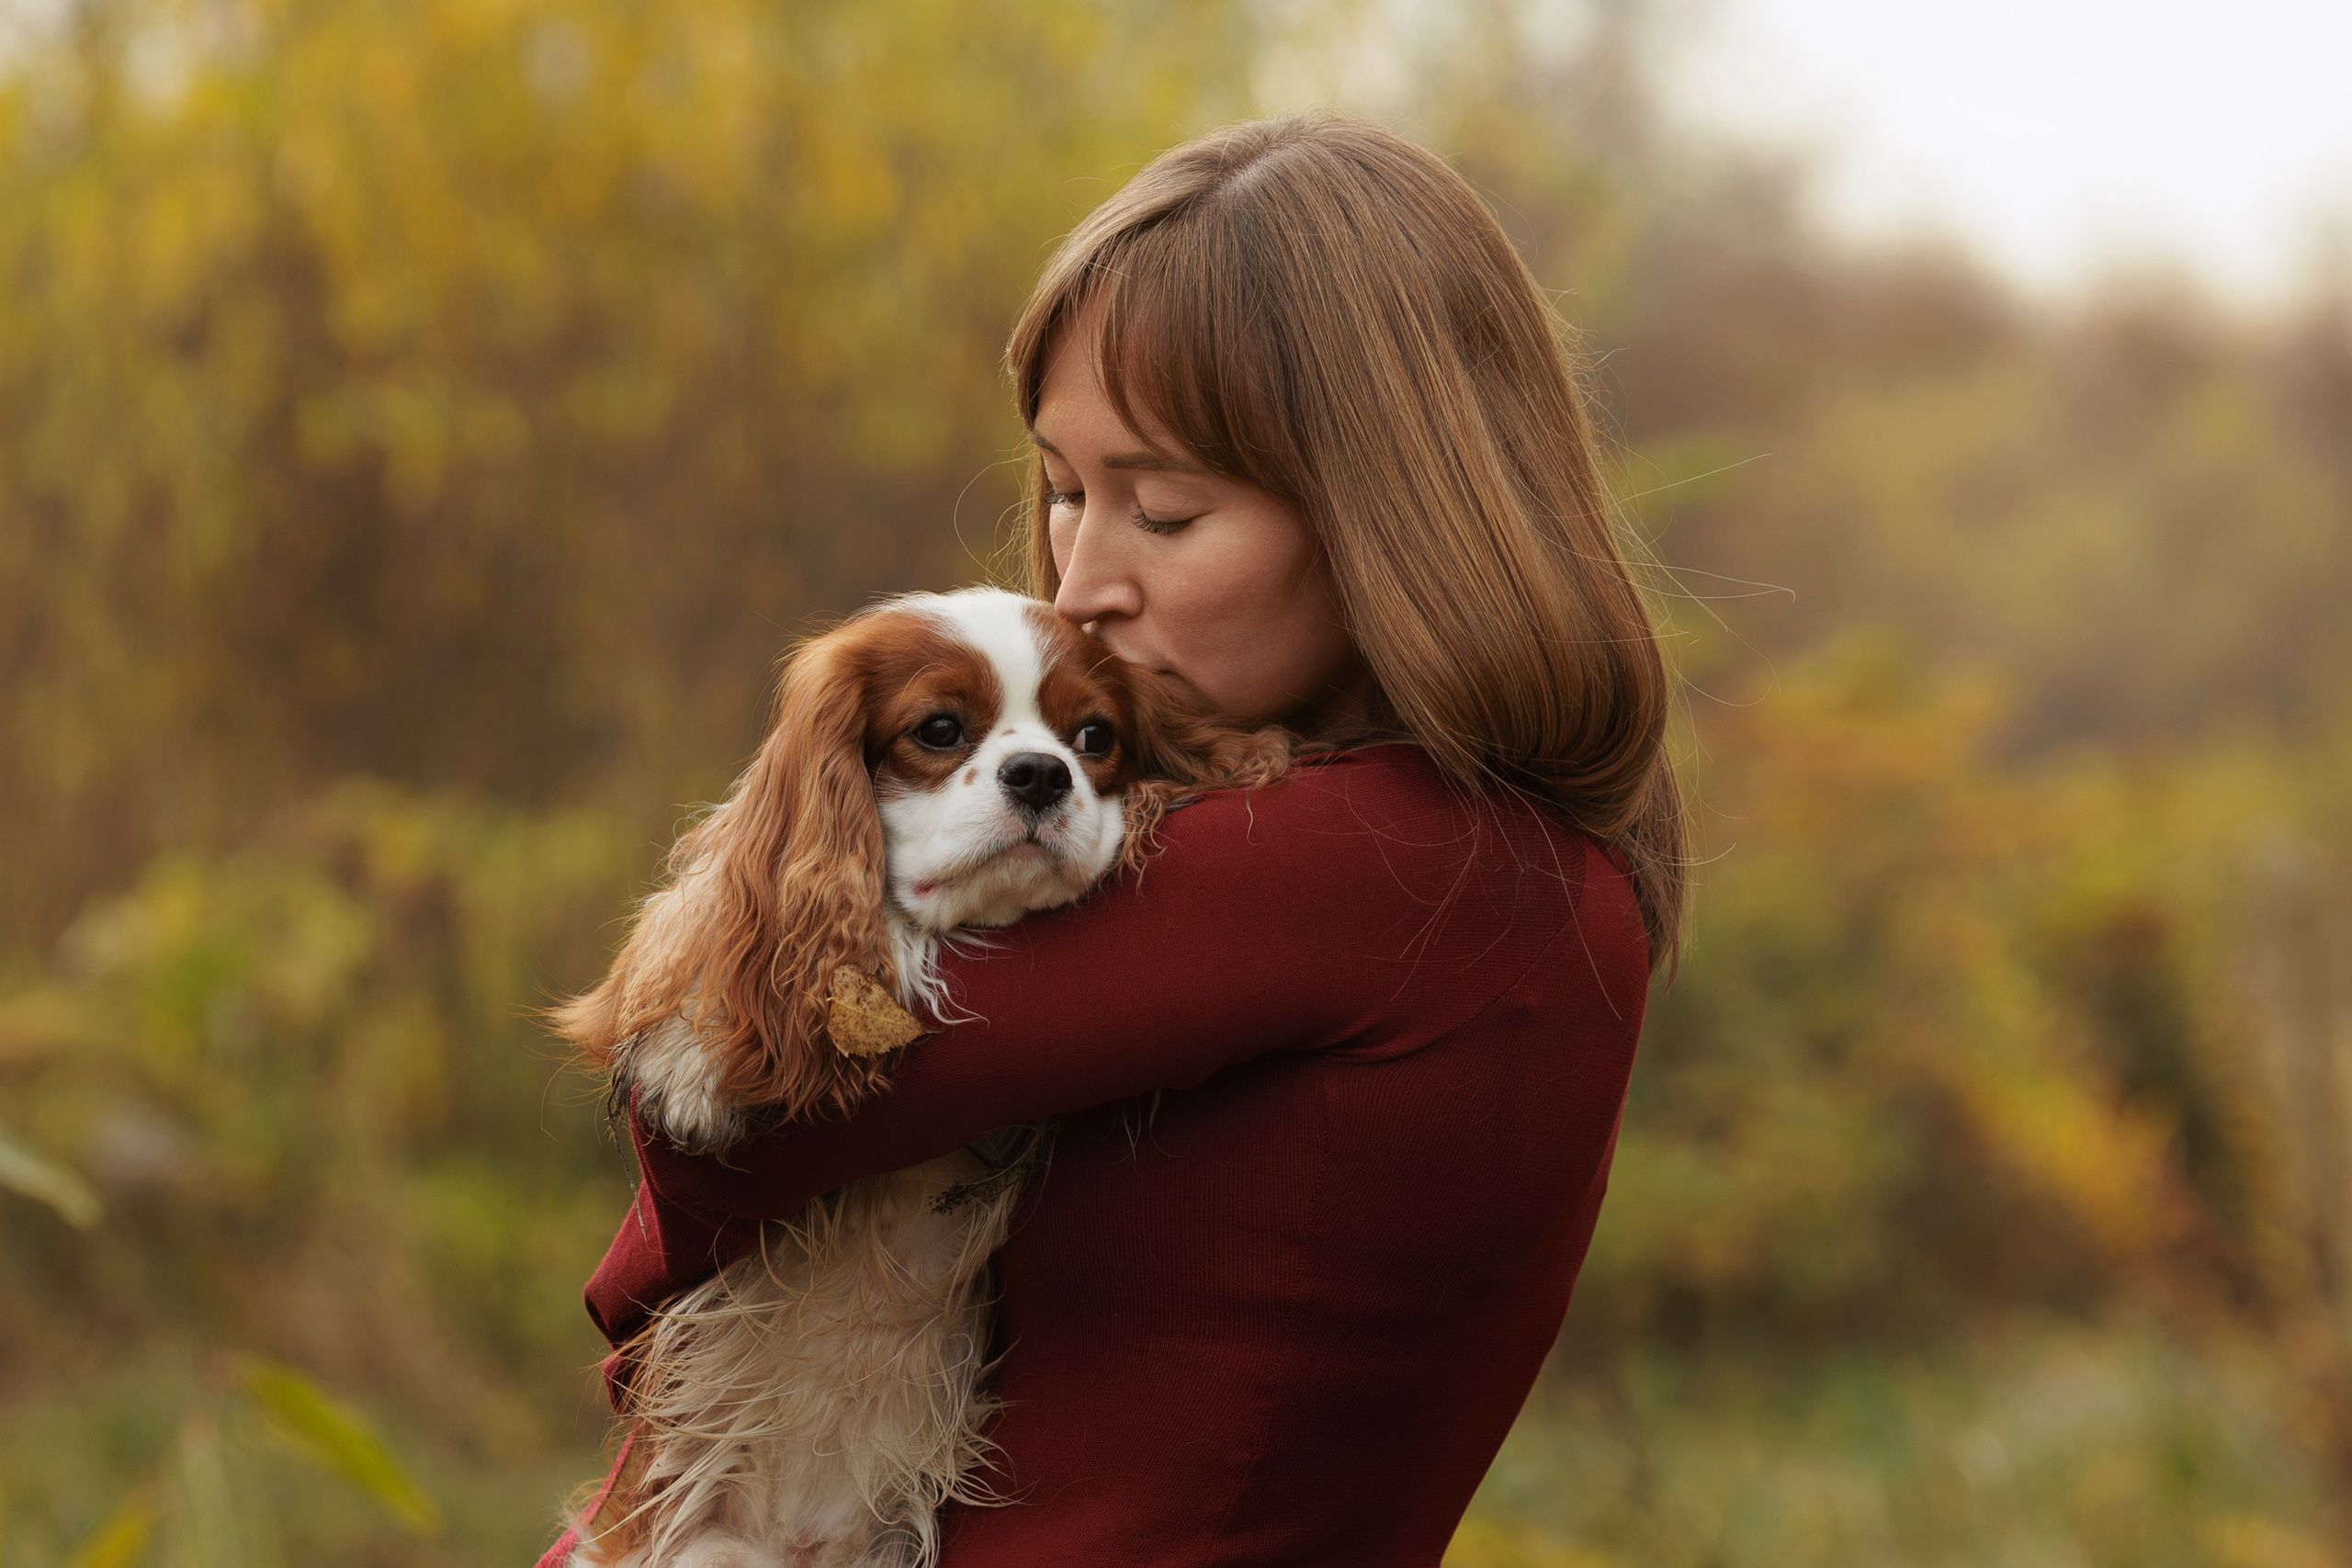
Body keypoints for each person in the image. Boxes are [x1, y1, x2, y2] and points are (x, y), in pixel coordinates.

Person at [541, 113, 1683, 1568]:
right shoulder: (1521, 871)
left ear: (1388, 514)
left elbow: (716, 1134)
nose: (1082, 582)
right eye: (1067, 491)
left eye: (1163, 508)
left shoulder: (1390, 864)